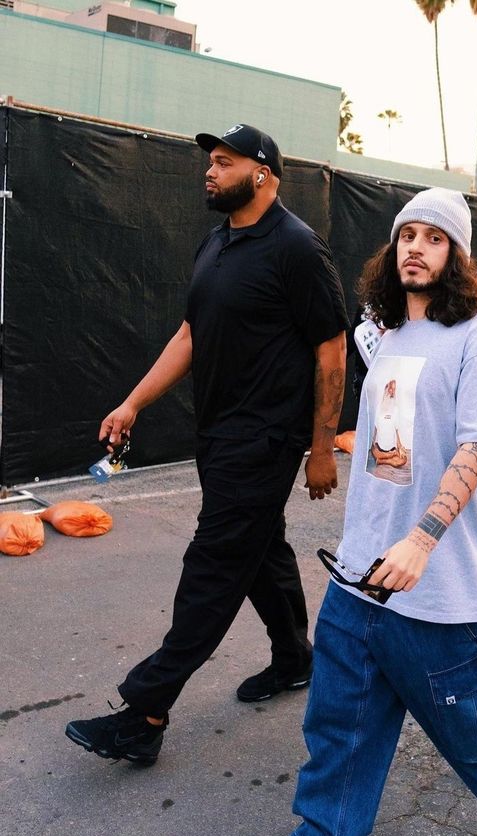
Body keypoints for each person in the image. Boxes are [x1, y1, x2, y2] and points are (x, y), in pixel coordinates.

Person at [245, 187, 477, 836]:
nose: (415, 246)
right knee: (339, 721)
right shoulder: (385, 332)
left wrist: (421, 539)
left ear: (457, 255)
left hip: (437, 582)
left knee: (474, 731)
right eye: (406, 234)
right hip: (359, 572)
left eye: (434, 237)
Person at [65, 122, 348, 764]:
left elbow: (332, 352)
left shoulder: (298, 249)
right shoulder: (217, 242)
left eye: (224, 162)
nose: (210, 172)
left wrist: (322, 447)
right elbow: (189, 334)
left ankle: (145, 712)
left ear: (263, 174)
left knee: (213, 567)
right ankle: (295, 658)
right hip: (218, 433)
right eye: (210, 162)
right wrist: (133, 402)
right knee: (262, 550)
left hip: (265, 439)